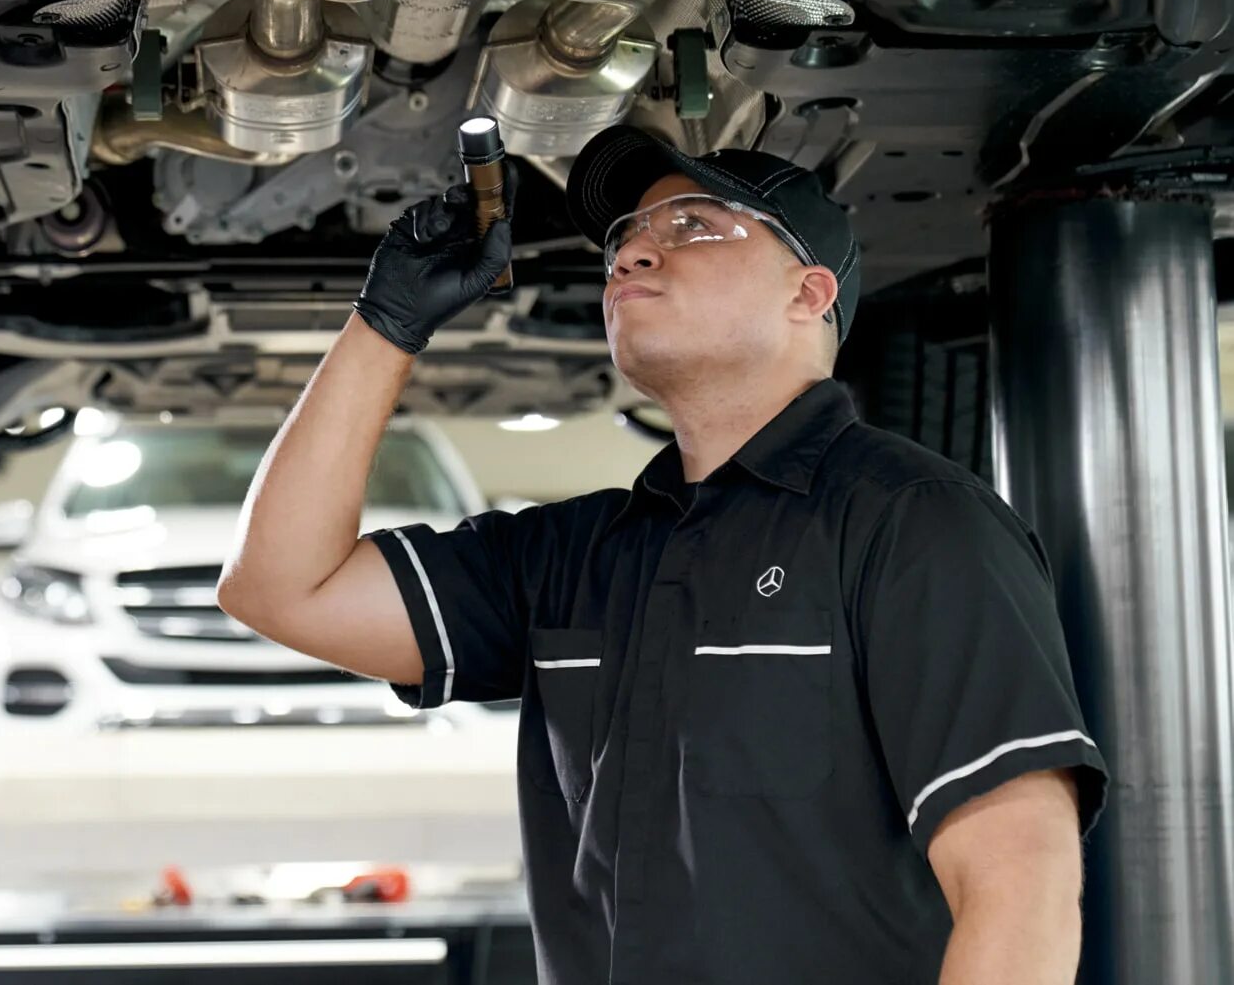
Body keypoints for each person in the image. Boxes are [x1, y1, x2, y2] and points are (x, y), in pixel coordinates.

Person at [217, 125, 1107, 985]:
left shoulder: (912, 523)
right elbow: (282, 590)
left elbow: (1019, 877)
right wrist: (387, 322)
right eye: (625, 237)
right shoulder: (574, 554)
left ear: (807, 292)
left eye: (691, 226)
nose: (632, 255)